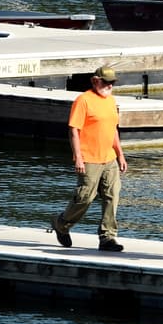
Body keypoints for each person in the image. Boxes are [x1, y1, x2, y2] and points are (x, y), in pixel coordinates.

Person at [52, 65, 128, 251]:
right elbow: (74, 131)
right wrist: (78, 157)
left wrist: (120, 154)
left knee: (112, 195)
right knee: (84, 198)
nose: (109, 85)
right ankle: (61, 224)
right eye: (106, 82)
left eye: (112, 82)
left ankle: (107, 237)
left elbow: (113, 130)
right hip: (89, 158)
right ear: (95, 81)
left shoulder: (111, 101)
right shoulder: (83, 100)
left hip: (109, 158)